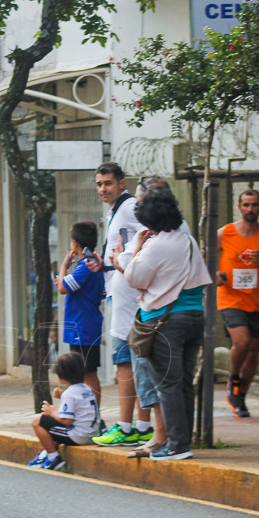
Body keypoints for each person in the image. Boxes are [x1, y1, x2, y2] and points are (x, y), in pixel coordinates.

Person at [123, 188, 211, 461]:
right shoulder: (187, 239)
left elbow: (133, 277)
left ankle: (177, 446)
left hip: (164, 323)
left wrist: (136, 247)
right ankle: (181, 441)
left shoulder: (156, 245)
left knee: (167, 385)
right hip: (195, 316)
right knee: (184, 383)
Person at [109, 176, 174, 458]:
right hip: (138, 313)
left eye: (139, 198)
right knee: (145, 375)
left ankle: (153, 433)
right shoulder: (145, 231)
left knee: (151, 377)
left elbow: (134, 272)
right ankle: (154, 433)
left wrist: (124, 258)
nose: (136, 204)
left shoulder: (161, 233)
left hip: (150, 315)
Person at [93, 162, 145, 444]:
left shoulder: (129, 206)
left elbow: (149, 233)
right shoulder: (116, 210)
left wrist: (128, 260)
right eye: (99, 184)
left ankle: (127, 426)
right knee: (131, 360)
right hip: (118, 288)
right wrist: (104, 264)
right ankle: (138, 423)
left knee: (125, 359)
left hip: (127, 295)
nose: (103, 189)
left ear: (122, 184)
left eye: (108, 183)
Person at [217, 189, 259, 418]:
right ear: (239, 207)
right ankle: (233, 377)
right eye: (246, 205)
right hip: (231, 297)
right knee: (242, 341)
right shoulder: (225, 233)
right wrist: (215, 273)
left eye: (255, 205)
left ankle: (240, 398)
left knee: (253, 351)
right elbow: (207, 256)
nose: (250, 209)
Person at [55, 222, 105, 431]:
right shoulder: (93, 264)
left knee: (87, 373)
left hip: (82, 326)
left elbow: (62, 288)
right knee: (84, 373)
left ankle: (93, 419)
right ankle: (87, 416)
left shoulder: (86, 265)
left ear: (75, 243)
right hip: (84, 325)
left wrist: (64, 265)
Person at [27, 352, 98, 470]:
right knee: (51, 426)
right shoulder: (87, 388)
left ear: (61, 376)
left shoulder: (70, 393)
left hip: (79, 436)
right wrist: (63, 396)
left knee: (37, 421)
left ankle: (53, 457)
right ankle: (45, 454)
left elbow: (66, 421)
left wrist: (52, 412)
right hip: (92, 434)